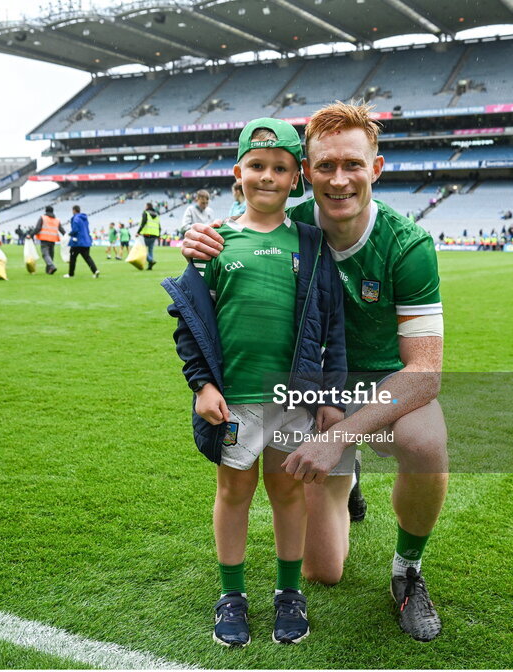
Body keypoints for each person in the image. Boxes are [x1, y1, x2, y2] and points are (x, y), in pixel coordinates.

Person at [184, 102, 446, 642]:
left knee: (424, 442)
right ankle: (345, 483)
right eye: (325, 165)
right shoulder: (292, 225)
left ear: (376, 167)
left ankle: (408, 571)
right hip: (306, 388)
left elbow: (424, 373)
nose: (339, 178)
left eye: (353, 164)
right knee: (322, 571)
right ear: (307, 171)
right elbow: (223, 265)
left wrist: (341, 436)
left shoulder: (408, 245)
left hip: (381, 386)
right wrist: (196, 245)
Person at [164, 117, 346, 648]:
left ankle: (289, 593)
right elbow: (190, 323)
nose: (268, 177)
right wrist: (202, 385)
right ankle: (232, 594)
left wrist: (331, 398)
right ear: (238, 173)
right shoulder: (215, 242)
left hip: (293, 400)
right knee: (234, 490)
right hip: (235, 401)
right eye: (257, 166)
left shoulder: (311, 244)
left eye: (280, 168)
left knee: (288, 492)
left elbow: (331, 326)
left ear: (298, 179)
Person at [28, 205, 65, 275]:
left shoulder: (43, 218)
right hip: (53, 239)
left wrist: (30, 235)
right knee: (51, 255)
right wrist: (66, 236)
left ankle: (51, 266)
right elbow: (61, 229)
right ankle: (49, 271)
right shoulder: (56, 220)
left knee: (45, 254)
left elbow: (38, 228)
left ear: (45, 211)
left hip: (44, 239)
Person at [65, 205, 99, 278]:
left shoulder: (75, 218)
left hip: (77, 242)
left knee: (73, 258)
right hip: (86, 241)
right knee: (87, 257)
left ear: (74, 210)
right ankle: (95, 270)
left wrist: (69, 234)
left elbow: (75, 229)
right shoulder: (84, 218)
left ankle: (71, 274)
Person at [136, 202, 160, 270]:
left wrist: (138, 232)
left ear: (147, 206)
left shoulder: (145, 213)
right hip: (154, 235)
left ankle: (151, 260)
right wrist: (158, 235)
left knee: (140, 249)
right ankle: (150, 266)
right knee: (150, 251)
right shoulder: (156, 215)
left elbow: (143, 223)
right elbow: (159, 226)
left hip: (147, 234)